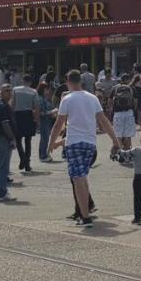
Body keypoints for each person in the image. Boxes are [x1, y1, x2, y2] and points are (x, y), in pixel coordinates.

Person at [49, 70, 122, 228]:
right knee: (83, 177)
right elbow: (104, 121)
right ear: (81, 81)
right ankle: (85, 211)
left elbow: (58, 124)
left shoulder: (67, 99)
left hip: (74, 143)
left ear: (68, 81)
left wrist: (51, 142)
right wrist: (115, 141)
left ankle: (85, 217)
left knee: (78, 179)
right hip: (90, 143)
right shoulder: (93, 98)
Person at [0, 85, 18, 201]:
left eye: (10, 90)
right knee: (3, 167)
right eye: (6, 91)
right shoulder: (3, 107)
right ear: (1, 93)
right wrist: (12, 138)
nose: (9, 93)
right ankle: (1, 192)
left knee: (0, 166)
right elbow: (5, 124)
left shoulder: (1, 106)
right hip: (3, 138)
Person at [11, 75, 40, 172]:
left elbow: (13, 103)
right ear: (30, 82)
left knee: (18, 140)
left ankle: (22, 157)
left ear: (23, 81)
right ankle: (27, 163)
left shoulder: (15, 90)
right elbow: (36, 107)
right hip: (28, 115)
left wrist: (11, 116)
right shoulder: (33, 91)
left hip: (17, 115)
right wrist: (36, 119)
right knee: (28, 141)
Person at [110, 80, 138, 164]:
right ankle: (127, 155)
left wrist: (111, 111)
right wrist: (134, 110)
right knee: (127, 135)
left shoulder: (115, 88)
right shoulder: (132, 88)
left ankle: (121, 154)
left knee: (118, 135)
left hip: (118, 114)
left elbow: (110, 101)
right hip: (129, 113)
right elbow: (135, 101)